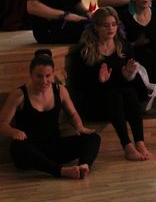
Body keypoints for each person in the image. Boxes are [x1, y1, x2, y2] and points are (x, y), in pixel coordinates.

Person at [0, 49, 100, 179]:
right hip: (30, 148)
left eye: (48, 76)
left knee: (93, 137)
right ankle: (60, 171)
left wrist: (79, 127)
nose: (44, 80)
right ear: (31, 74)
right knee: (18, 147)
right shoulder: (19, 95)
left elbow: (73, 114)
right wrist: (13, 131)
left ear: (53, 74)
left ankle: (83, 166)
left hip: (54, 147)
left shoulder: (60, 90)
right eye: (39, 76)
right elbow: (2, 124)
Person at [75, 7, 152, 161]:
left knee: (129, 93)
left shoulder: (123, 46)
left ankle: (140, 142)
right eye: (105, 25)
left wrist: (128, 76)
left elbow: (135, 84)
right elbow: (81, 85)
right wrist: (99, 81)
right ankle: (127, 146)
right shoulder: (85, 50)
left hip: (122, 102)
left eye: (113, 24)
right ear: (96, 27)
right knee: (114, 96)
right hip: (96, 103)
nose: (110, 28)